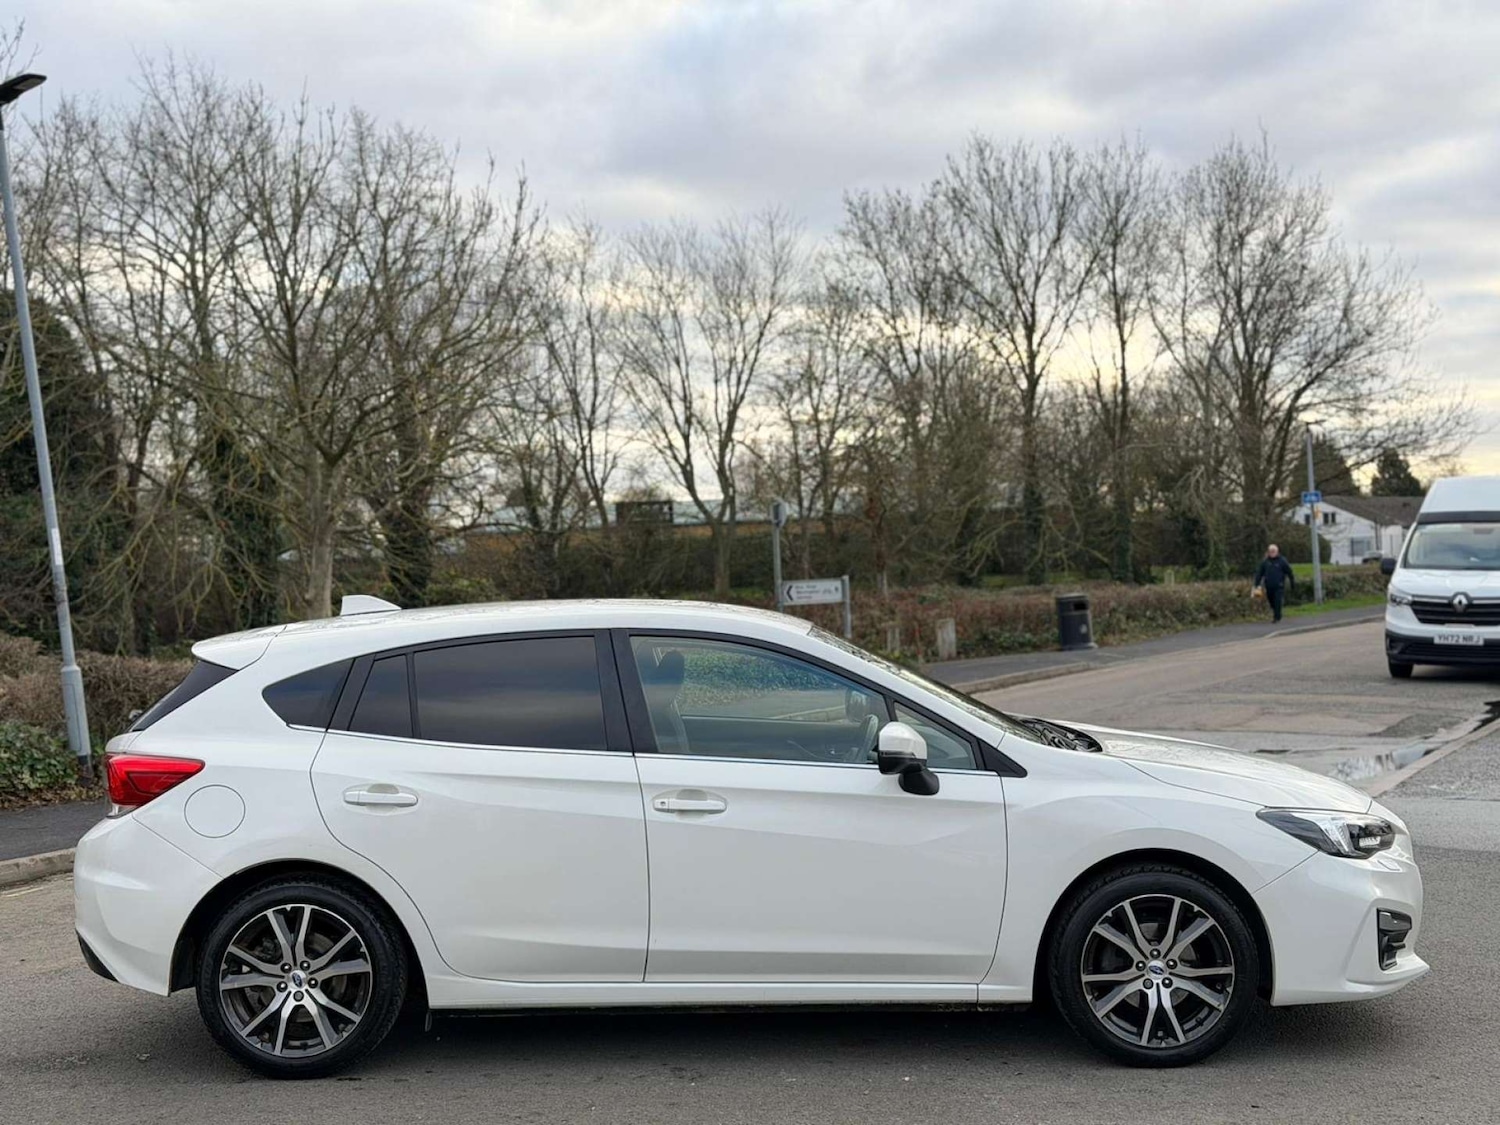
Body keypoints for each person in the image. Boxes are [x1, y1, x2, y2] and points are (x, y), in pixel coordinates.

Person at [1254, 543, 1295, 623]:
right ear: (1268, 552)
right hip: (1269, 586)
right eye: (1270, 551)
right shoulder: (1265, 562)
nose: (1272, 553)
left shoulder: (1282, 561)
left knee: (1277, 601)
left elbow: (1289, 572)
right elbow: (1260, 573)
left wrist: (1292, 582)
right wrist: (1257, 584)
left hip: (1279, 585)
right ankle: (1276, 613)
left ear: (1277, 552)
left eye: (1273, 551)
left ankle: (1277, 617)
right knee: (1271, 601)